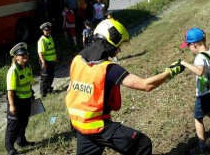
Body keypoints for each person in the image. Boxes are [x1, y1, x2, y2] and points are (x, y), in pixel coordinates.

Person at [65, 19, 185, 155]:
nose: (120, 49)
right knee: (142, 144)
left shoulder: (77, 60)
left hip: (79, 125)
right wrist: (170, 72)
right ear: (111, 42)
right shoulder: (109, 69)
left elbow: (70, 90)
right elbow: (146, 85)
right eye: (119, 45)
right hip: (98, 127)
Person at [5, 42, 35, 155]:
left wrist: (31, 95)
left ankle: (21, 141)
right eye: (22, 55)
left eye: (26, 54)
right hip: (16, 102)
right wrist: (12, 105)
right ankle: (10, 149)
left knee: (23, 123)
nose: (25, 56)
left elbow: (30, 83)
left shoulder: (28, 67)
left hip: (26, 100)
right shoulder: (13, 71)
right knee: (13, 127)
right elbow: (10, 90)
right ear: (16, 57)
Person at [38, 22, 58, 97]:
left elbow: (52, 49)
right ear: (43, 31)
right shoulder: (42, 40)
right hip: (45, 61)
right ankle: (43, 93)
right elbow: (40, 52)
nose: (48, 31)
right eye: (46, 30)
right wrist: (43, 62)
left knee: (51, 76)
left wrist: (55, 58)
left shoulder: (50, 37)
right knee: (45, 77)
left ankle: (49, 89)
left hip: (51, 61)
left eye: (49, 30)